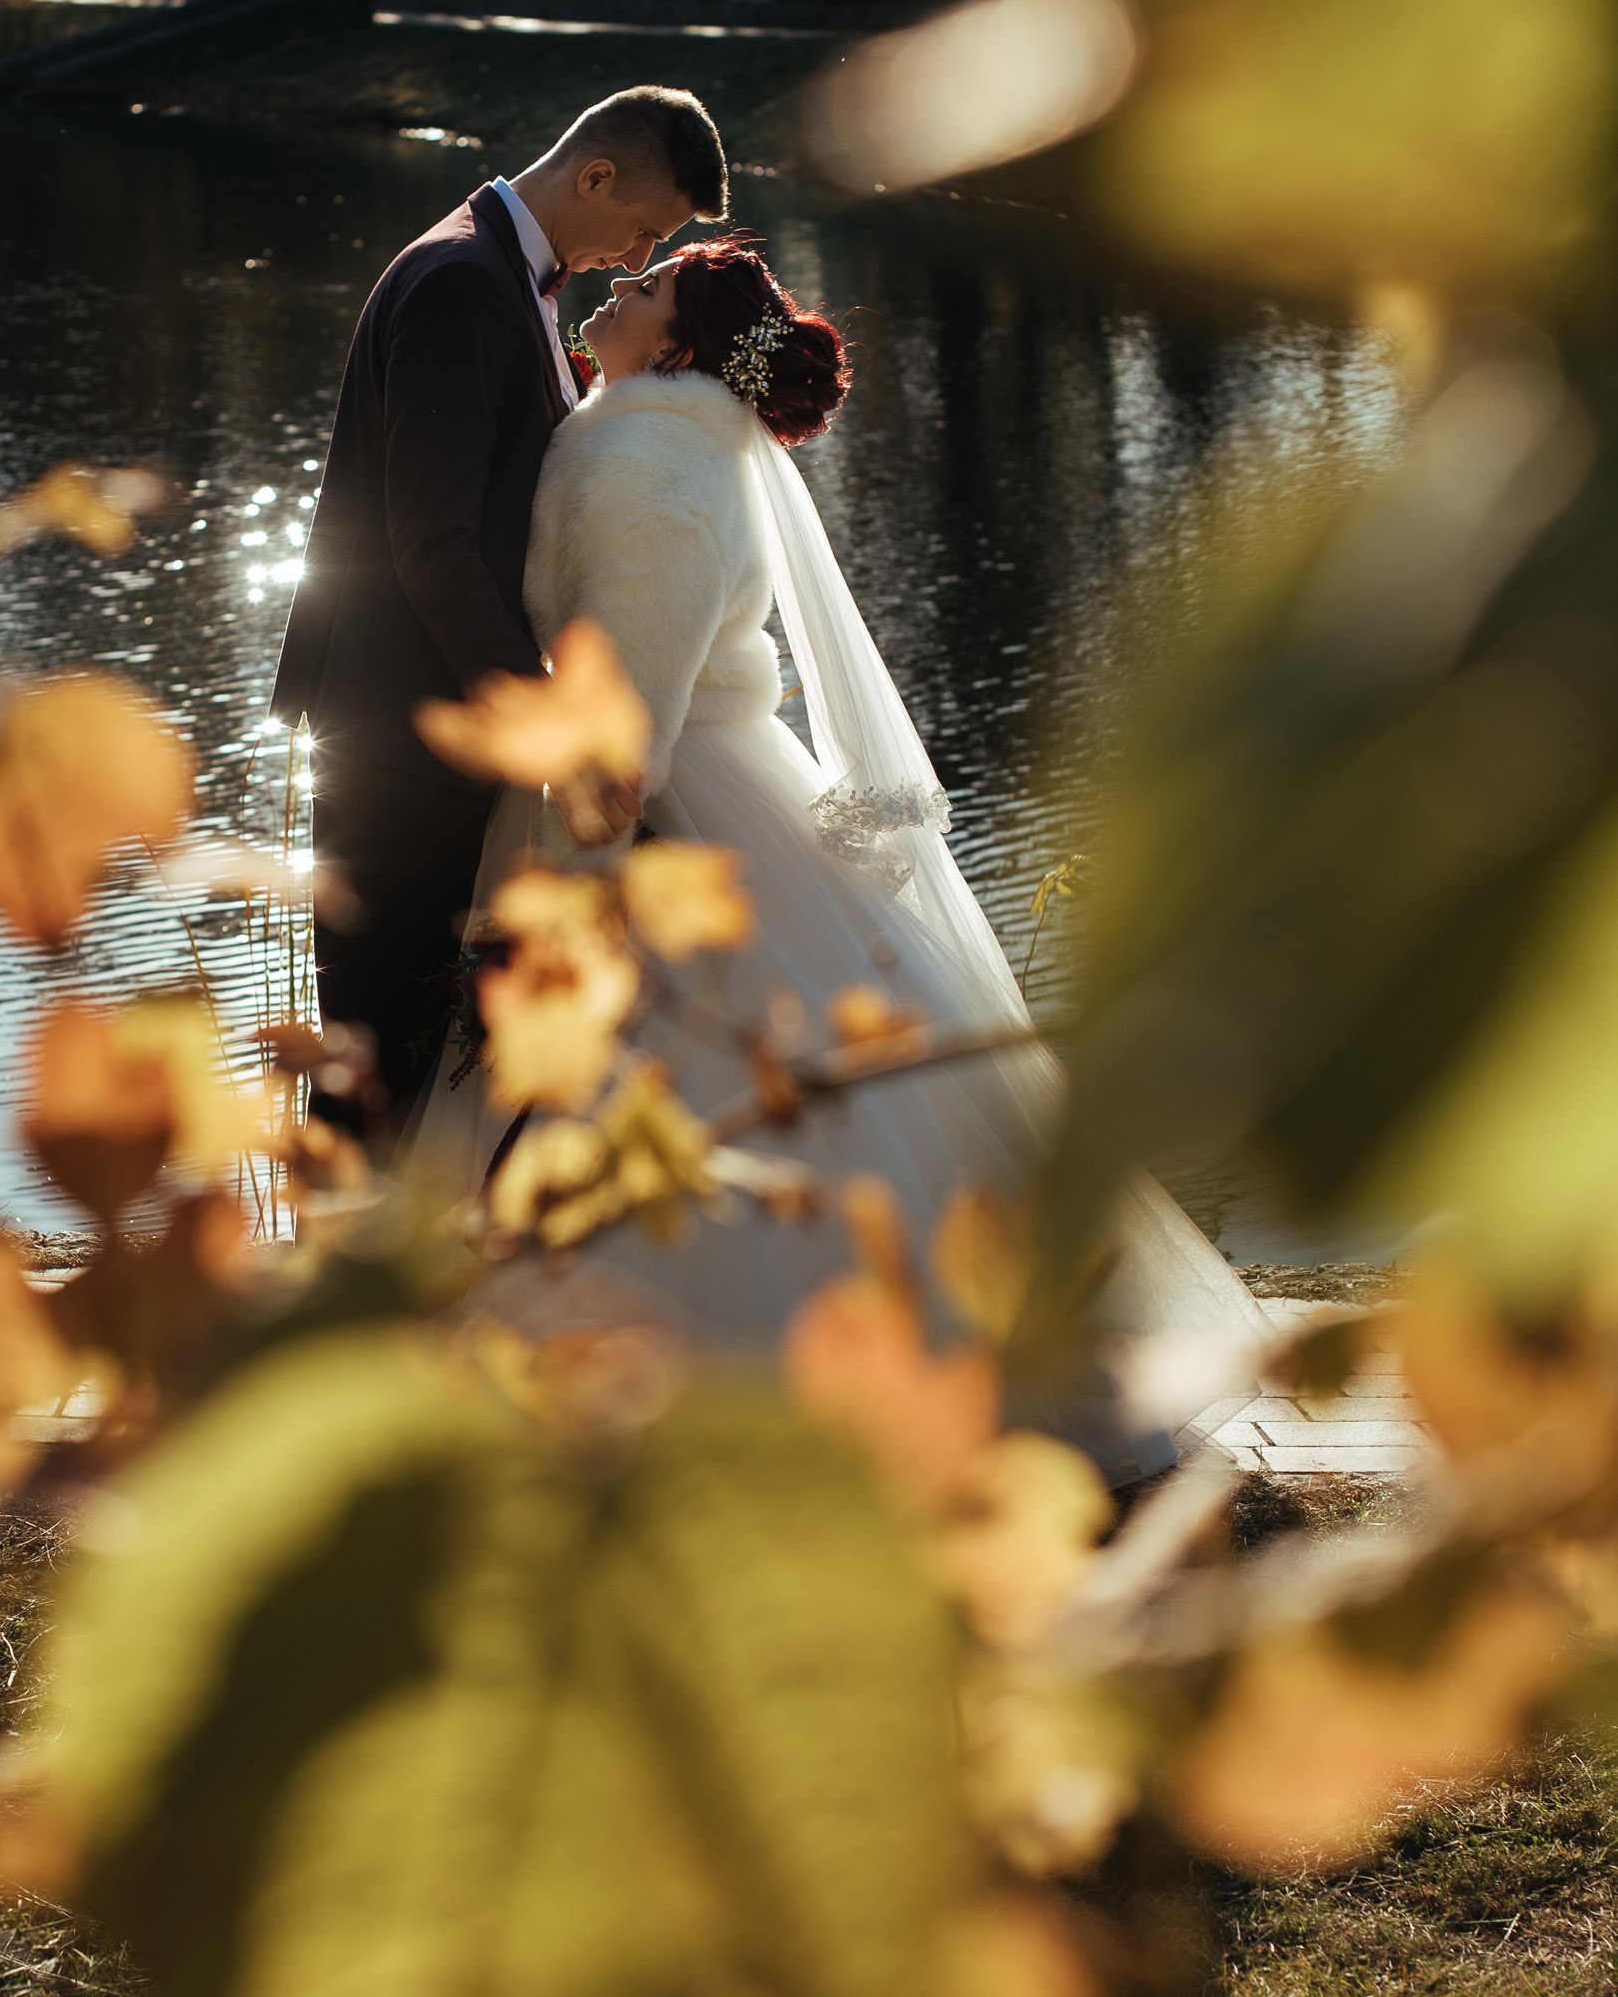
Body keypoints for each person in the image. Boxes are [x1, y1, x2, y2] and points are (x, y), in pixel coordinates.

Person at [402, 238, 1260, 1457]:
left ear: (683, 343)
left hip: (667, 808)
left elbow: (629, 722)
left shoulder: (651, 466)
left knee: (681, 1079)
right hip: (693, 783)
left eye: (645, 290)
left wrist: (566, 910)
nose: (616, 292)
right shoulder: (650, 438)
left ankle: (705, 1405)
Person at [270, 87, 731, 1124]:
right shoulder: (462, 283)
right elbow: (431, 551)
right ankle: (336, 1282)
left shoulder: (503, 276)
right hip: (401, 737)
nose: (633, 255)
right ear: (595, 176)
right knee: (374, 1057)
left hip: (425, 726)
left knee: (405, 1052)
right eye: (645, 230)